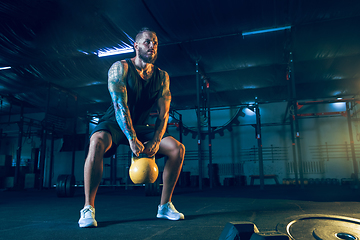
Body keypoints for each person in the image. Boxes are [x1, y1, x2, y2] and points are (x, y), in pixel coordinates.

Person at [78, 28, 185, 228]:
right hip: (115, 121)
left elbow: (163, 115)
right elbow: (120, 106)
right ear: (135, 46)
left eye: (155, 42)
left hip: (142, 124)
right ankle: (88, 208)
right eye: (147, 42)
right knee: (97, 141)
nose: (152, 46)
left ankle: (164, 206)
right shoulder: (120, 68)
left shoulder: (162, 77)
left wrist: (154, 140)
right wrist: (131, 138)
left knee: (177, 149)